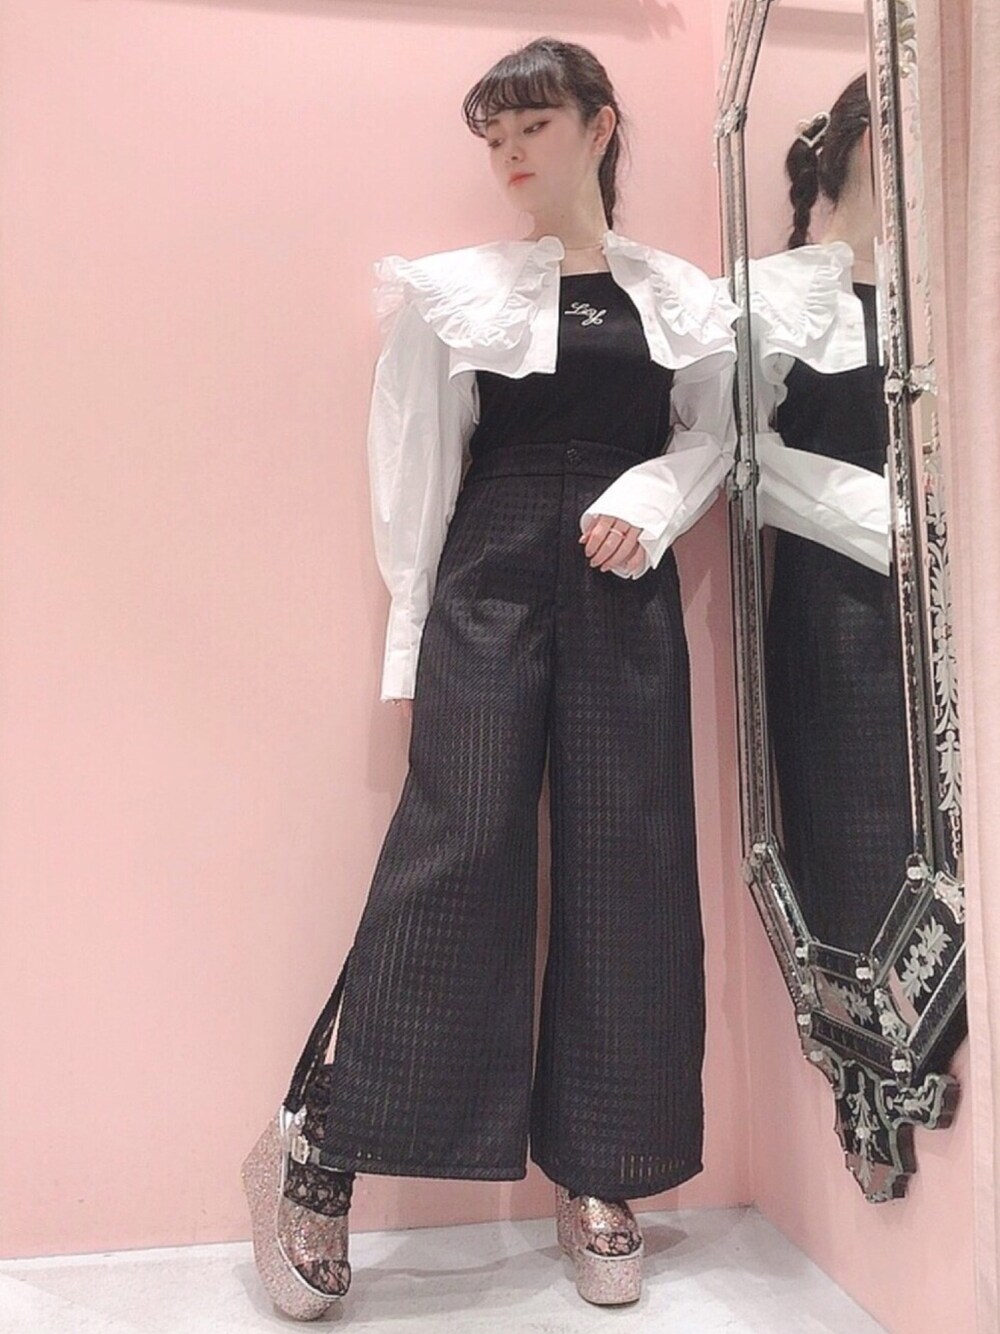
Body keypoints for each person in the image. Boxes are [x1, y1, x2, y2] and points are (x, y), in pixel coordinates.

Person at [241, 36, 738, 1319]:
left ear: (600, 126)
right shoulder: (456, 293)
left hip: (623, 583)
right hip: (491, 570)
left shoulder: (679, 295)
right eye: (494, 135)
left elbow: (713, 434)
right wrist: (413, 639)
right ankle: (318, 1139)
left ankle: (600, 1169)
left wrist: (651, 501)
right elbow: (416, 466)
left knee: (627, 857)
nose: (510, 153)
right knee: (456, 846)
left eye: (533, 126)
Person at [748, 74, 913, 954]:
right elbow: (744, 457)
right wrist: (882, 517)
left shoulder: (948, 298)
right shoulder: (770, 293)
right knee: (866, 866)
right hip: (840, 611)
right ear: (857, 142)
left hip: (961, 608)